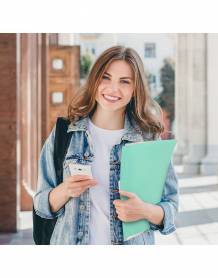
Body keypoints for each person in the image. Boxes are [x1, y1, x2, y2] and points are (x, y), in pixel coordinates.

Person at [33, 45, 179, 245]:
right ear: (94, 79)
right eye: (106, 77)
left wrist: (144, 211)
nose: (113, 89)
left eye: (124, 81)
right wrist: (64, 190)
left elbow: (171, 207)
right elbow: (40, 203)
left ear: (135, 88)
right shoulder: (65, 133)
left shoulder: (148, 139)